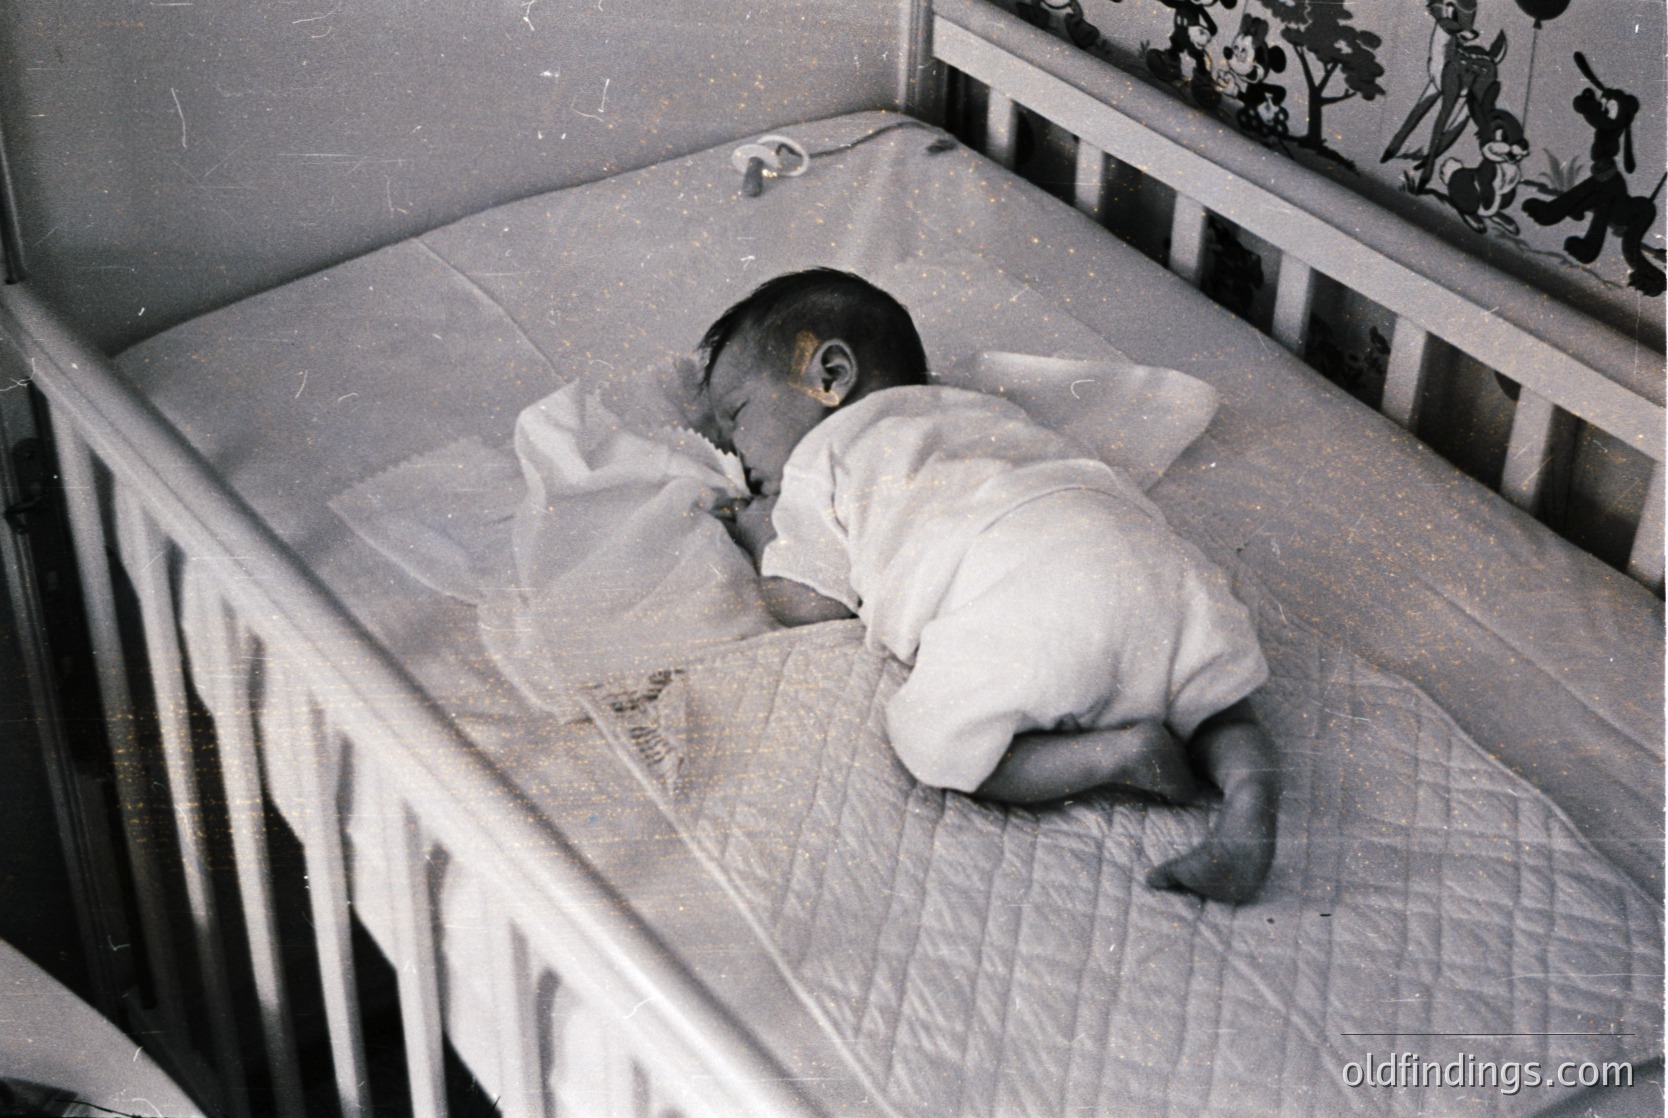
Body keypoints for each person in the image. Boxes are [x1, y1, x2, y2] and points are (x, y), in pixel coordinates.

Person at [698, 269, 1278, 903]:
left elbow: (811, 604)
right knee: (1215, 697)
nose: (737, 454)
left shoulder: (822, 457)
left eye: (737, 417)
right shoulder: (986, 409)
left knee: (940, 744)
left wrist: (760, 534)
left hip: (1029, 589)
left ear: (830, 376)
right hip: (1147, 558)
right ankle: (1250, 793)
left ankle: (1118, 755)